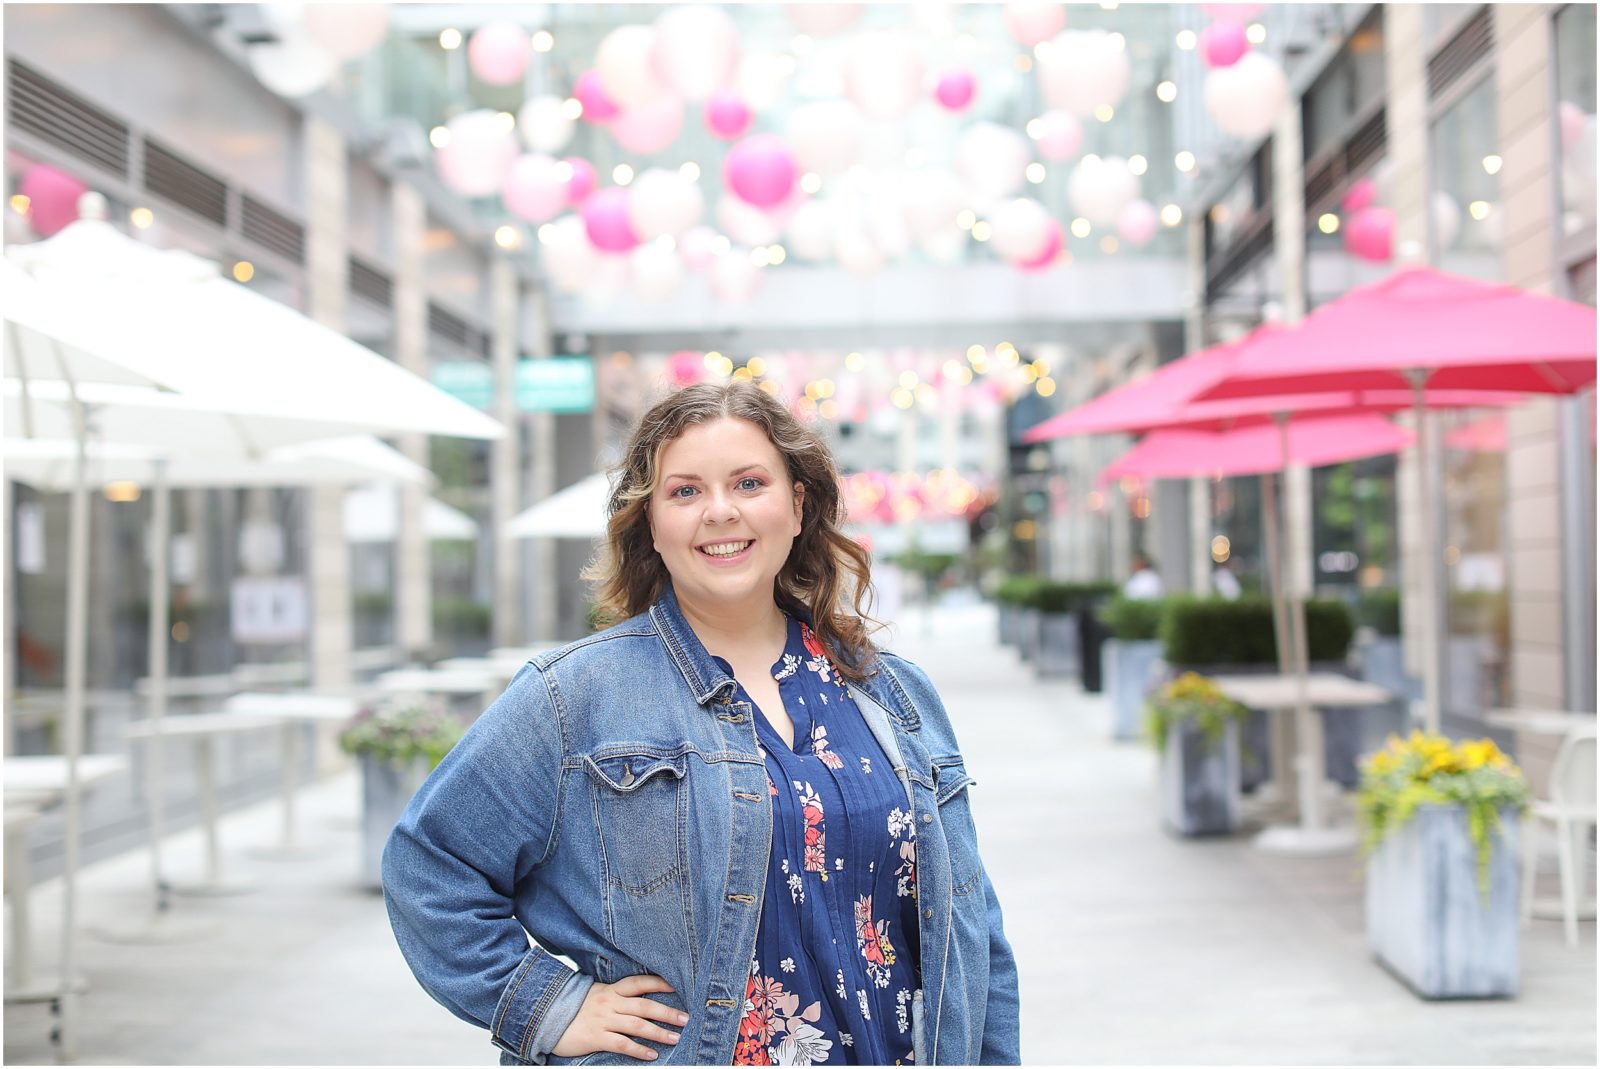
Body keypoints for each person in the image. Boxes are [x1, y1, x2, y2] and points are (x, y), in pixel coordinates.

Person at [382, 381, 1019, 1067]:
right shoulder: (573, 696)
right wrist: (548, 1004)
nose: (720, 511)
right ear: (650, 522)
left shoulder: (894, 694)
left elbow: (973, 929)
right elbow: (430, 866)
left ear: (797, 504)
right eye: (685, 491)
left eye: (749, 482)